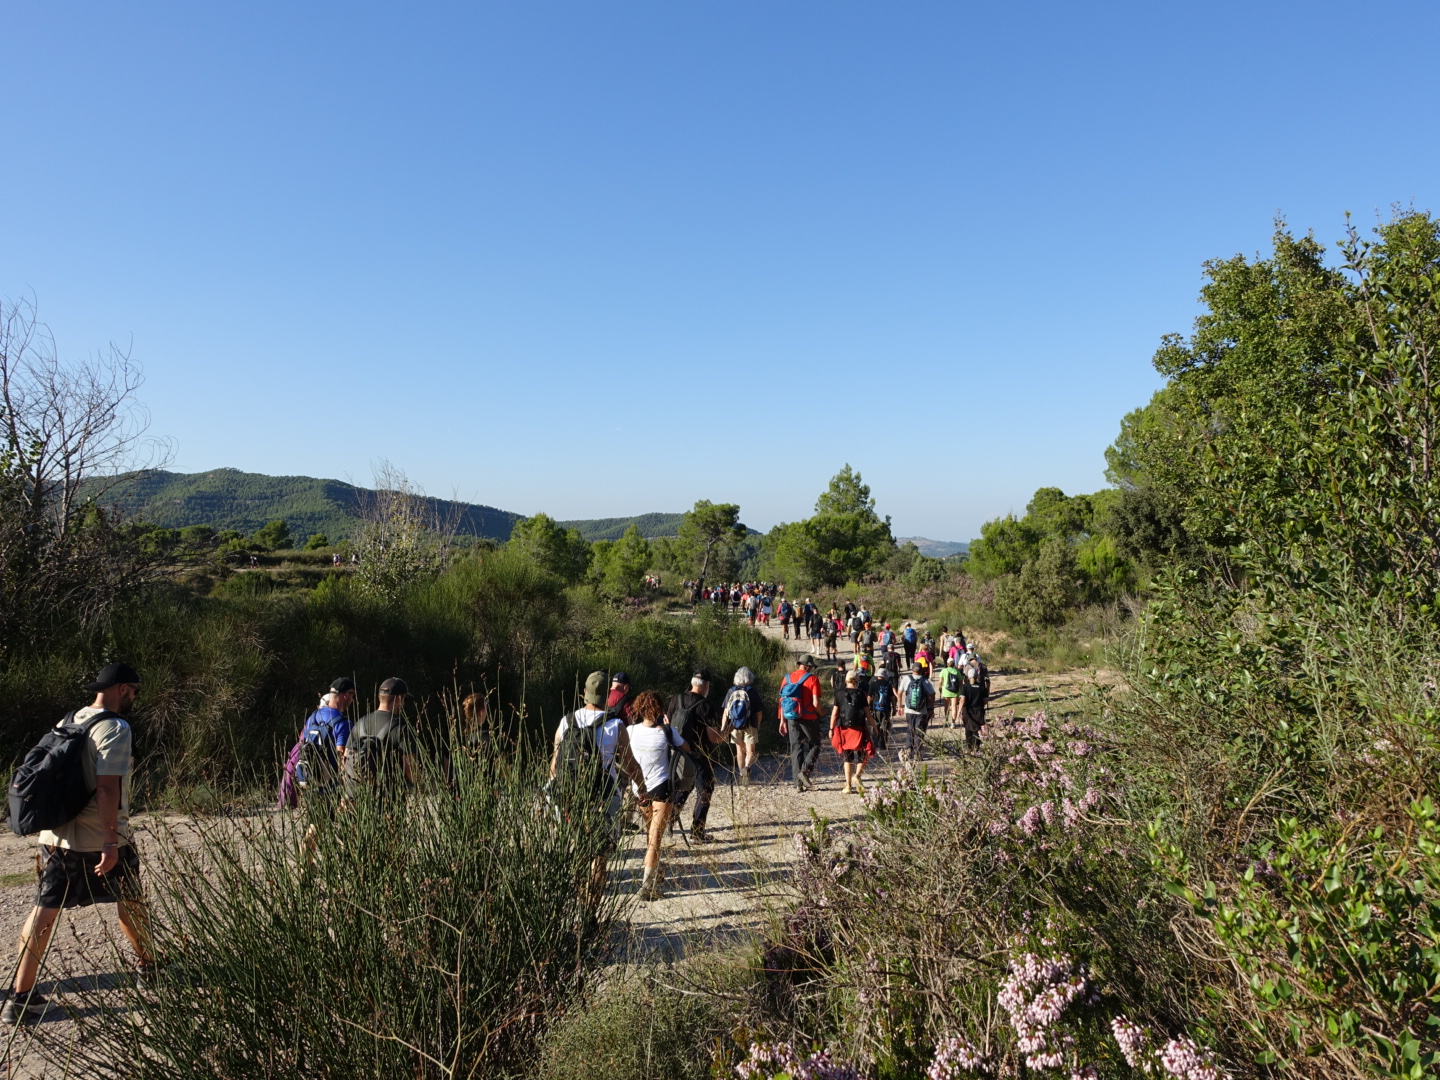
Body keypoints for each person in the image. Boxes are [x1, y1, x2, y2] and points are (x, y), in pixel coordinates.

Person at [5, 663, 155, 1024]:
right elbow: (107, 788)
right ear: (121, 689)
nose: (134, 697)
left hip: (55, 836)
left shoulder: (70, 719)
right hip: (98, 835)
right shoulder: (116, 728)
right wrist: (110, 842)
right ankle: (149, 966)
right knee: (131, 900)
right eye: (133, 691)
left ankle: (20, 998)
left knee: (44, 911)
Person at [617, 689, 688, 901]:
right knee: (655, 839)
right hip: (661, 789)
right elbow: (688, 748)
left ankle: (654, 874)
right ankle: (647, 886)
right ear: (659, 708)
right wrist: (668, 726)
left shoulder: (630, 731)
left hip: (640, 790)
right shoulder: (666, 732)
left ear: (638, 708)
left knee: (651, 834)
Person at [668, 672, 724, 842]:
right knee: (704, 791)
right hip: (700, 754)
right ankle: (697, 833)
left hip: (677, 754)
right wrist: (727, 731)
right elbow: (714, 737)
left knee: (682, 787)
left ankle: (669, 821)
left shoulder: (675, 700)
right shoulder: (705, 705)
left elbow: (666, 724)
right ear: (705, 685)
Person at [344, 677, 418, 801]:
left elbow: (345, 758)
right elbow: (410, 768)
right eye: (405, 699)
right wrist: (417, 783)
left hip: (359, 796)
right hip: (389, 798)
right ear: (399, 698)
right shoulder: (401, 727)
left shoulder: (360, 723)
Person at [295, 676, 357, 798]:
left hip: (310, 785)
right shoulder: (344, 724)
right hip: (331, 788)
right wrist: (347, 793)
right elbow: (342, 759)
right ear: (345, 695)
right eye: (353, 696)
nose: (352, 700)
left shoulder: (313, 717)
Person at [778, 656, 824, 792]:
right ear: (808, 666)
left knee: (796, 747)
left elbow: (782, 702)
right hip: (809, 717)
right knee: (815, 744)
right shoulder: (812, 679)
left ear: (799, 664)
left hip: (791, 717)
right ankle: (804, 771)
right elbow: (816, 703)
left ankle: (798, 784)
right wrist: (823, 713)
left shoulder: (786, 678)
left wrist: (782, 721)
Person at [830, 670, 874, 795]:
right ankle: (857, 775)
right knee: (864, 752)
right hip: (859, 728)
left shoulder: (839, 693)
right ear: (857, 680)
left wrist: (831, 729)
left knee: (848, 755)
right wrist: (874, 727)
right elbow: (868, 714)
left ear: (846, 680)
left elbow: (834, 714)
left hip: (844, 728)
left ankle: (848, 785)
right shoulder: (861, 694)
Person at [722, 667, 761, 783]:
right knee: (751, 752)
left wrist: (723, 729)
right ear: (749, 678)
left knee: (739, 751)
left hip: (734, 725)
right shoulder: (751, 691)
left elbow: (725, 712)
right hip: (750, 724)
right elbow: (759, 713)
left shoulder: (731, 690)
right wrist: (757, 726)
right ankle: (747, 768)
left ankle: (741, 775)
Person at [897, 663, 936, 762]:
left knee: (910, 728)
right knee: (920, 731)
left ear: (912, 670)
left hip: (909, 710)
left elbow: (900, 693)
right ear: (922, 671)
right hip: (922, 710)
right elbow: (932, 693)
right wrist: (931, 708)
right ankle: (917, 754)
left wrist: (900, 706)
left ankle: (908, 750)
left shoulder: (907, 679)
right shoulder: (925, 680)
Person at [959, 663, 989, 751]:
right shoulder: (982, 687)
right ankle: (976, 748)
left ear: (968, 676)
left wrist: (959, 711)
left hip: (968, 711)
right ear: (977, 676)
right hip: (979, 711)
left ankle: (969, 747)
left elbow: (962, 700)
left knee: (968, 729)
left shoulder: (965, 687)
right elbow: (985, 701)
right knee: (977, 730)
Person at [938, 656, 965, 728]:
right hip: (955, 691)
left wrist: (940, 688)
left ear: (947, 664)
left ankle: (946, 721)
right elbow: (961, 682)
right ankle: (953, 723)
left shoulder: (944, 671)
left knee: (946, 706)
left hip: (946, 691)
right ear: (954, 664)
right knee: (954, 707)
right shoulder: (957, 671)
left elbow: (940, 682)